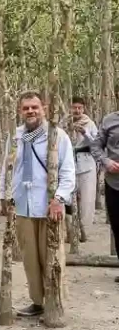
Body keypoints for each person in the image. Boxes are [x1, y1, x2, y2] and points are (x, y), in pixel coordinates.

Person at [0, 91, 75, 317]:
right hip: (23, 205)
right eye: (26, 108)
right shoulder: (16, 137)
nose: (30, 111)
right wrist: (3, 197)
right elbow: (8, 168)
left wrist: (59, 199)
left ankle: (54, 300)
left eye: (35, 107)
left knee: (51, 256)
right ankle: (37, 302)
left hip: (49, 205)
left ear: (45, 108)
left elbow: (68, 171)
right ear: (20, 111)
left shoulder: (58, 136)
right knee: (30, 258)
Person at [89, 108, 119, 280]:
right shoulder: (109, 120)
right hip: (113, 183)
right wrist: (106, 161)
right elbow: (95, 146)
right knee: (117, 226)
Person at [68, 97, 98, 240]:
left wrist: (85, 133)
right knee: (69, 199)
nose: (77, 111)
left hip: (87, 165)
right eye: (74, 107)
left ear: (84, 108)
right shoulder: (64, 122)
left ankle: (84, 231)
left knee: (86, 199)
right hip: (69, 165)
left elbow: (97, 144)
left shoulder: (90, 124)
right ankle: (71, 231)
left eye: (80, 108)